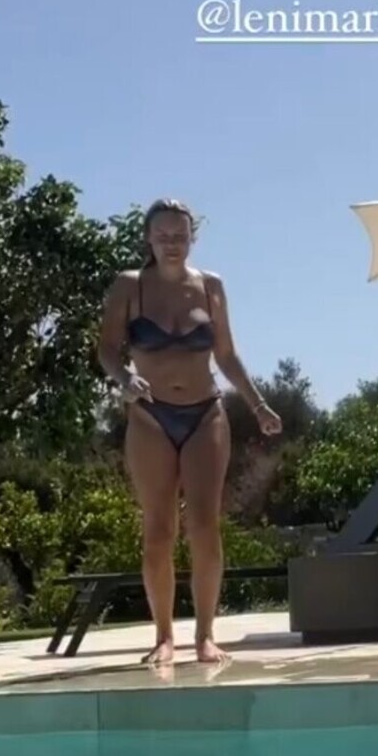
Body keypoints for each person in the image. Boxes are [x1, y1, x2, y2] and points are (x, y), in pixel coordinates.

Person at [98, 197, 282, 665]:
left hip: (205, 413)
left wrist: (258, 404)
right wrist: (124, 379)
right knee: (159, 528)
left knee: (204, 524)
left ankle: (205, 635)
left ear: (192, 238)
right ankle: (163, 637)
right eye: (162, 236)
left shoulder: (211, 286)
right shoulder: (129, 286)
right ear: (148, 238)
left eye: (179, 235)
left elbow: (227, 355)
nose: (171, 243)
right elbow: (107, 350)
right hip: (150, 416)